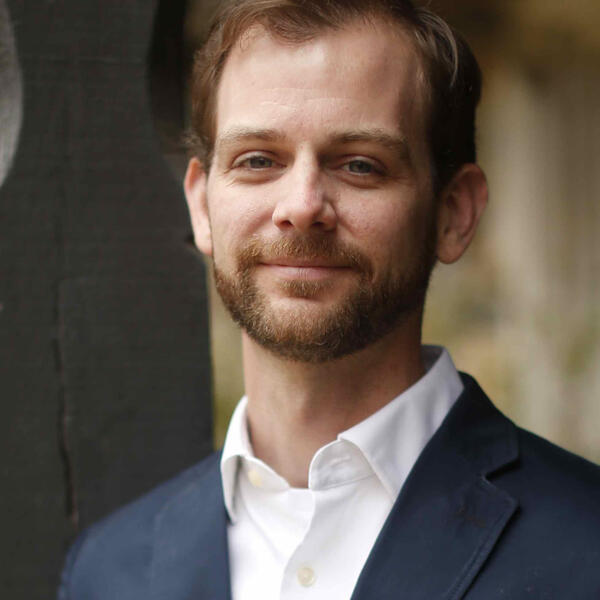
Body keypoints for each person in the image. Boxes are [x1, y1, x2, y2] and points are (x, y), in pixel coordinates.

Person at [58, 1, 600, 598]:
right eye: (258, 160)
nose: (301, 206)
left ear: (454, 213)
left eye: (361, 165)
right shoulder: (108, 571)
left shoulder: (586, 545)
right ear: (203, 205)